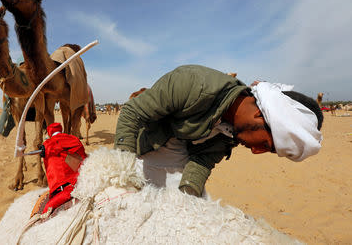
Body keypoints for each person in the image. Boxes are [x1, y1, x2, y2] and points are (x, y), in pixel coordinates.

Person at [114, 65, 323, 197]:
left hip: (180, 162)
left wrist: (188, 197)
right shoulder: (193, 83)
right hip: (143, 152)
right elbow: (132, 113)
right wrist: (122, 173)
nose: (255, 151)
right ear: (260, 117)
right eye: (265, 145)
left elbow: (203, 160)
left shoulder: (232, 134)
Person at [37, 122, 87, 214]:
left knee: (45, 212)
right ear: (61, 130)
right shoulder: (74, 139)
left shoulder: (48, 144)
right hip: (84, 184)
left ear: (49, 133)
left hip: (65, 190)